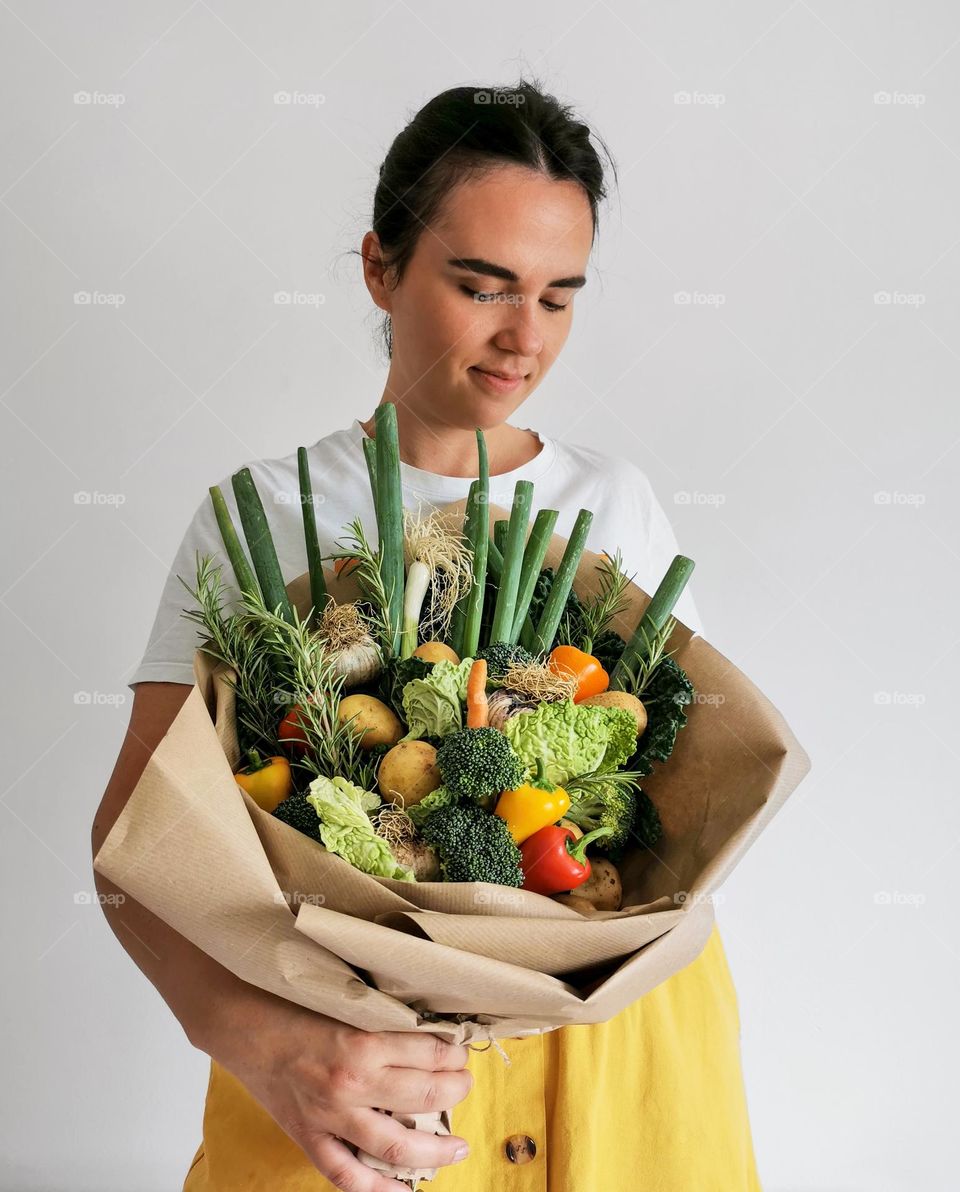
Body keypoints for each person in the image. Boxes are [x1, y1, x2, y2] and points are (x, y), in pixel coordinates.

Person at [91, 79, 762, 1191]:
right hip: (358, 1068)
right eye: (483, 285)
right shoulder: (258, 518)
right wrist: (268, 1046)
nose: (523, 337)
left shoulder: (617, 503)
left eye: (559, 297)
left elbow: (687, 816)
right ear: (379, 268)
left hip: (614, 1050)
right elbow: (132, 854)